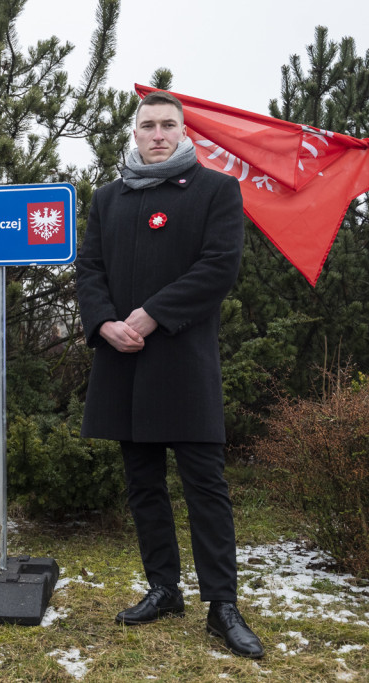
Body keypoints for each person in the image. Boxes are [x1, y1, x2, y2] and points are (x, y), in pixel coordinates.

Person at [74, 90, 263, 659]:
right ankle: (164, 590)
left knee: (206, 487)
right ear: (134, 133)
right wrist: (104, 324)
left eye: (168, 125)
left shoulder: (215, 190)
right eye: (148, 125)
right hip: (123, 362)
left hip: (184, 363)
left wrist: (152, 314)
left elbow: (218, 267)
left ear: (184, 133)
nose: (158, 134)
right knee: (143, 485)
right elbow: (90, 269)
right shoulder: (108, 198)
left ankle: (222, 606)